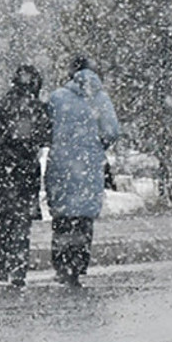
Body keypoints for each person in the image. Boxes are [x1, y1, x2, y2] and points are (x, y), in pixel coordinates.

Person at [45, 55, 121, 287]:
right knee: (83, 218)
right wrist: (95, 146)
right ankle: (78, 264)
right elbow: (111, 131)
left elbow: (46, 128)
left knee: (62, 217)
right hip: (88, 166)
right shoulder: (100, 100)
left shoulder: (57, 98)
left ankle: (61, 263)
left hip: (61, 164)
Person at [0, 64, 52, 288]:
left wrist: (4, 138)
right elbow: (46, 136)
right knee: (22, 220)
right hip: (27, 169)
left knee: (5, 218)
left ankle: (3, 266)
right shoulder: (39, 109)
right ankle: (19, 268)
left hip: (4, 166)